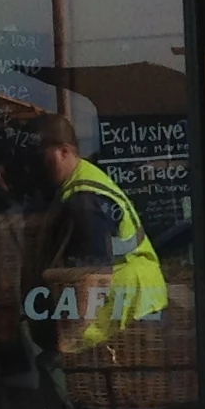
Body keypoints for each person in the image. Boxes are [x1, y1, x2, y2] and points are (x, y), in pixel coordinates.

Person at [32, 112, 166, 349]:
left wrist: (70, 339)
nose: (37, 163)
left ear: (64, 151)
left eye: (41, 154)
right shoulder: (82, 182)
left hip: (128, 312)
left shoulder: (85, 199)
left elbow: (95, 278)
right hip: (137, 305)